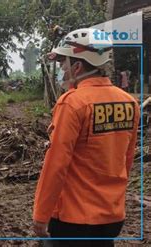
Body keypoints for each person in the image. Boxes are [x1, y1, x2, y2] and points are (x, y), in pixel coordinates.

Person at [35, 28, 140, 246]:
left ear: (78, 66)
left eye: (64, 64)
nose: (62, 70)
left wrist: (41, 215)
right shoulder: (129, 103)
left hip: (74, 220)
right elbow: (126, 161)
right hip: (111, 217)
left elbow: (55, 165)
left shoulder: (72, 103)